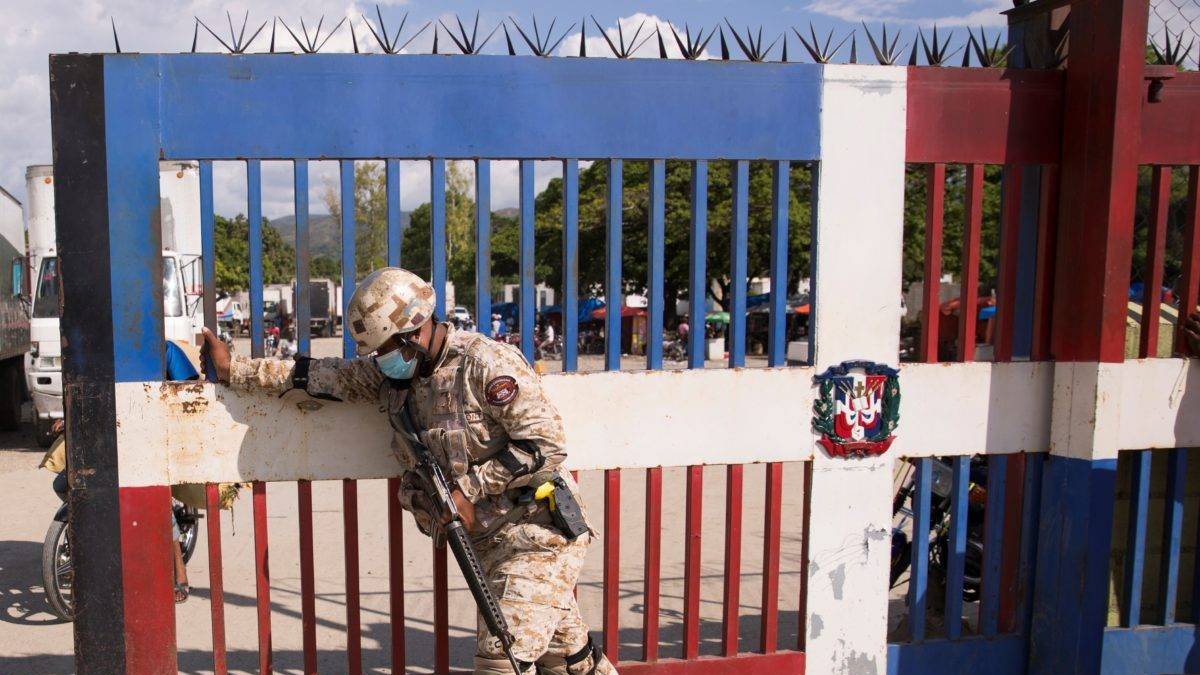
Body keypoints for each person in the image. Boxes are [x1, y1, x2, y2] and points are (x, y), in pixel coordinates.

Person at [201, 268, 616, 675]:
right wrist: (233, 369)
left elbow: (544, 445)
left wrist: (467, 489)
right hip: (486, 543)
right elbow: (323, 376)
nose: (379, 362)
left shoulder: (485, 363)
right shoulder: (400, 376)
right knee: (568, 658)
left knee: (500, 659)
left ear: (415, 333)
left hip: (537, 535)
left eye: (384, 350)